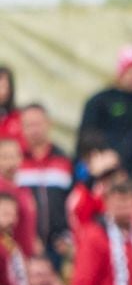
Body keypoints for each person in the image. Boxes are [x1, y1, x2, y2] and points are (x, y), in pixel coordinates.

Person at [15, 105, 73, 257]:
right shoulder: (14, 163)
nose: (34, 130)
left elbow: (74, 202)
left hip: (60, 247)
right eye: (29, 125)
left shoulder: (64, 160)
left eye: (38, 124)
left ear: (49, 123)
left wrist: (68, 236)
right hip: (24, 246)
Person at [79, 46, 132, 164]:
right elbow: (86, 136)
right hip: (102, 163)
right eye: (131, 71)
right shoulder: (99, 101)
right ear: (121, 72)